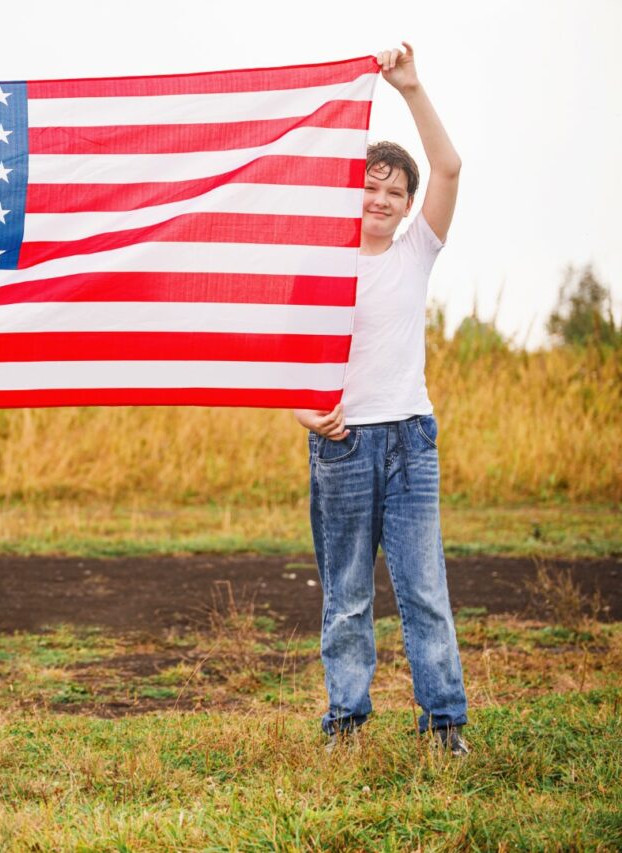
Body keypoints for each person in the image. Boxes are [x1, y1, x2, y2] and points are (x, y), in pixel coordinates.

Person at [293, 44, 469, 755]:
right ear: (351, 191)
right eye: (370, 186)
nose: (381, 199)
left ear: (406, 205)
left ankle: (444, 723)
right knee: (347, 596)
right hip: (341, 446)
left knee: (423, 589)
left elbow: (450, 168)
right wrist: (303, 410)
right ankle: (346, 721)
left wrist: (411, 88)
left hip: (408, 441)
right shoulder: (319, 268)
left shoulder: (416, 250)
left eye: (395, 191)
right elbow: (288, 359)